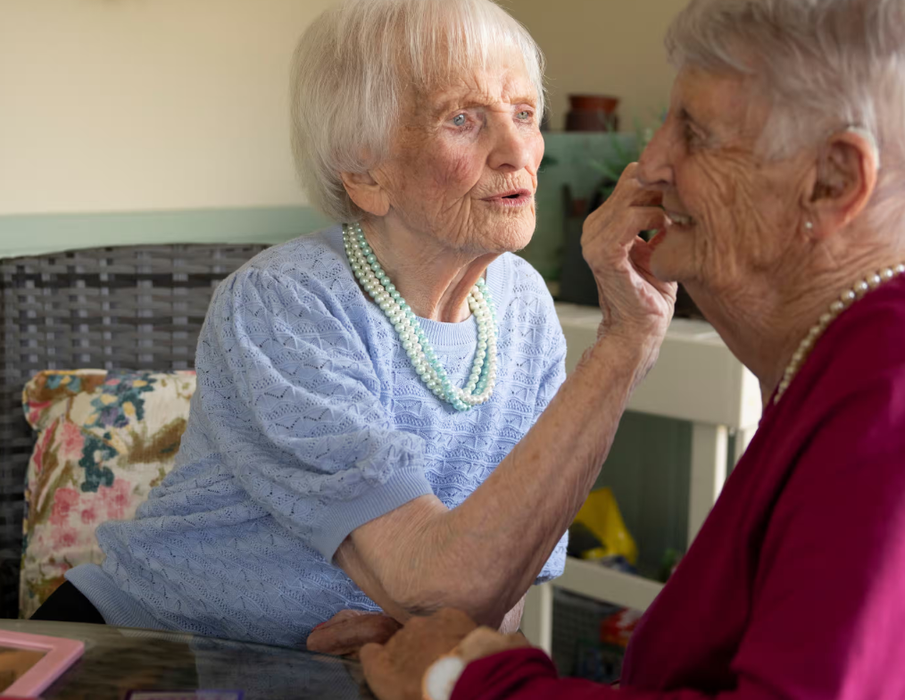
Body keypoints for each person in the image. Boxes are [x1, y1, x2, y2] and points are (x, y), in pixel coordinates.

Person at [349, 0, 905, 697]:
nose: (649, 163)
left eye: (694, 132)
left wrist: (470, 678)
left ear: (831, 180)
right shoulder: (851, 358)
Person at [36, 0, 676, 649]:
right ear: (366, 173)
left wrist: (413, 636)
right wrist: (624, 345)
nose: (517, 152)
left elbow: (506, 580)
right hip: (151, 644)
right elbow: (433, 586)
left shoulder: (525, 305)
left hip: (341, 663)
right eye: (463, 118)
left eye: (523, 114)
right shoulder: (286, 301)